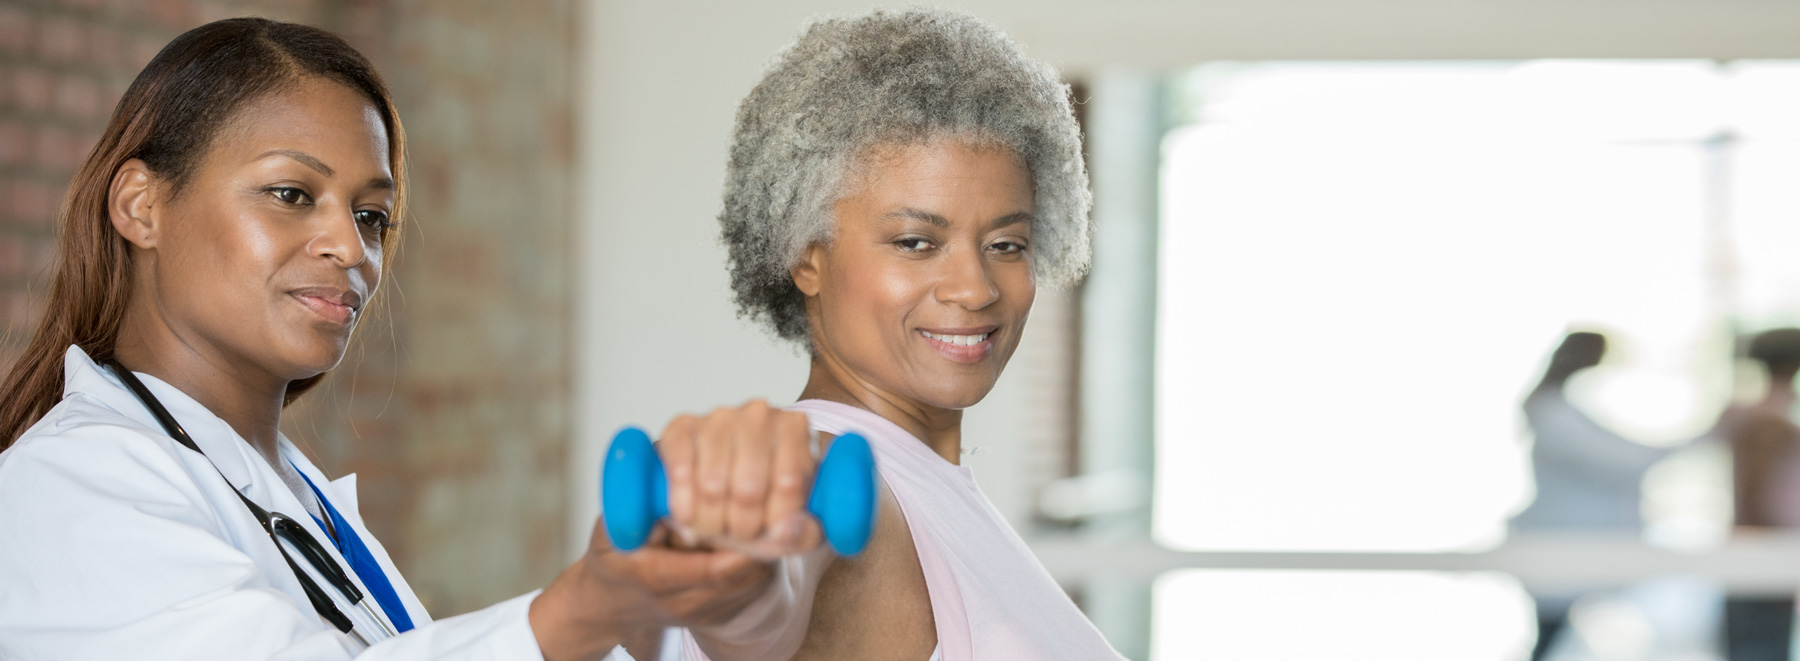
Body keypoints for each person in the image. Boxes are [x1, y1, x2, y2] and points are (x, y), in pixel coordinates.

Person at [0, 18, 821, 659]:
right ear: (140, 204)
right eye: (291, 192)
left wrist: (642, 600)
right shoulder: (64, 488)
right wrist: (586, 604)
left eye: (371, 216)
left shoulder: (289, 494)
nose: (351, 249)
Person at [654, 9, 1121, 660]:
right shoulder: (839, 480)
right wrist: (742, 557)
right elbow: (776, 593)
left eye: (1006, 243)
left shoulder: (939, 491)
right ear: (805, 255)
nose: (976, 286)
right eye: (916, 242)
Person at [1513, 331, 1675, 660]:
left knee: (1559, 635)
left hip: (1578, 541)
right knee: (1552, 635)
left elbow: (1623, 456)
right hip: (1562, 541)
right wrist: (1698, 439)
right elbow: (1620, 463)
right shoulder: (1552, 412)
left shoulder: (1564, 409)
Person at [1711, 327, 1800, 661]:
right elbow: (1754, 495)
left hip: (1765, 551)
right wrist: (1765, 556)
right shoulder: (1767, 419)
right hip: (1764, 553)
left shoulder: (1757, 414)